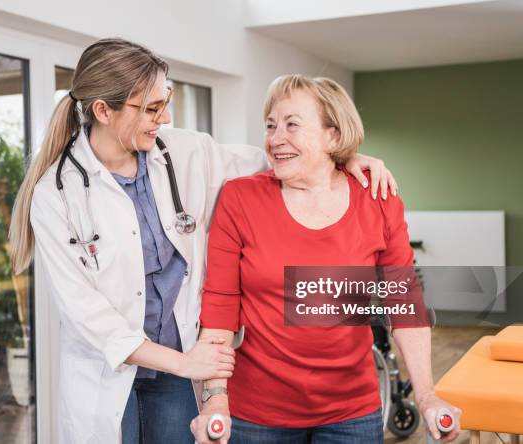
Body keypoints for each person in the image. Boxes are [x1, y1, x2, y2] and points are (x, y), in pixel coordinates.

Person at [9, 39, 398, 444]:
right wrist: (184, 363)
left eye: (166, 101)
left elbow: (280, 159)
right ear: (104, 111)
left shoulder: (186, 152)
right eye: (152, 108)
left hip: (180, 374)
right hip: (112, 372)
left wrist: (345, 159)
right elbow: (87, 315)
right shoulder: (56, 194)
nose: (165, 116)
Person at [192, 74, 462, 444]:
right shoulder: (240, 199)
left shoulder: (377, 198)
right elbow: (220, 306)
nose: (275, 139)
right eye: (270, 125)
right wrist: (214, 399)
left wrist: (427, 394)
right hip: (256, 413)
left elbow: (404, 302)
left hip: (351, 412)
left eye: (291, 125)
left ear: (333, 135)